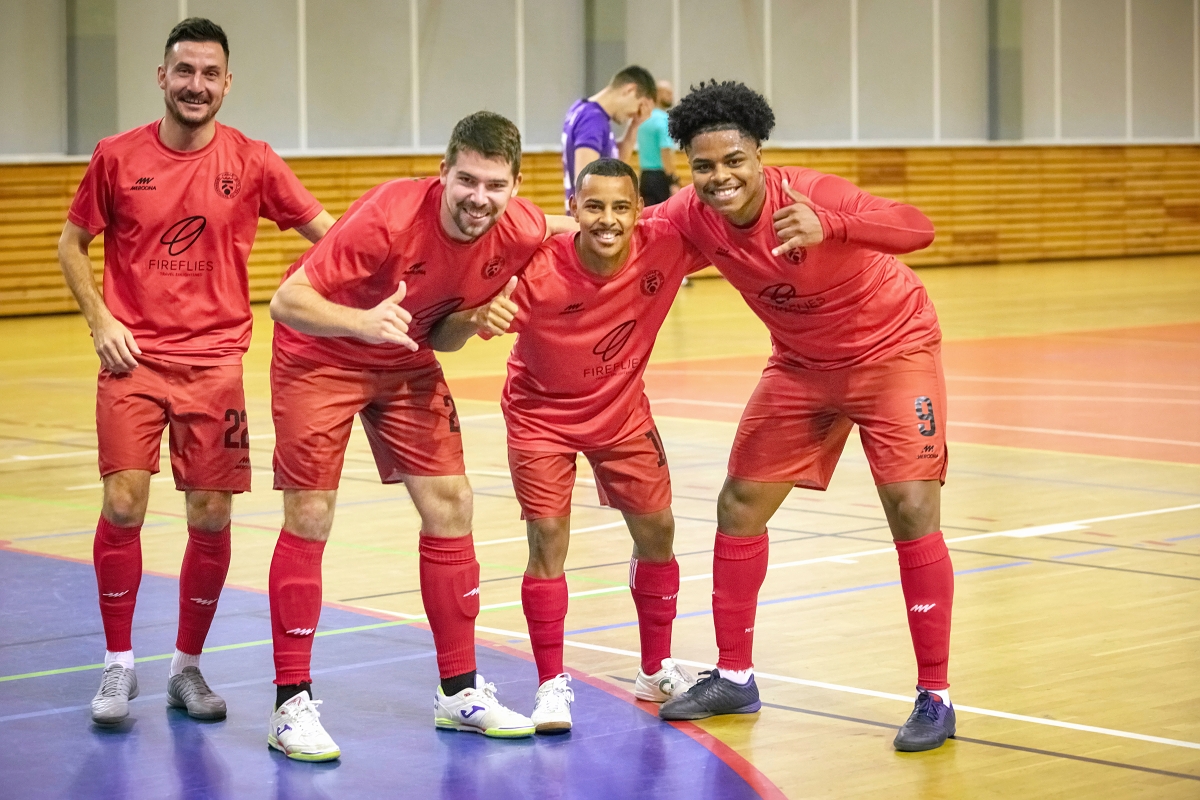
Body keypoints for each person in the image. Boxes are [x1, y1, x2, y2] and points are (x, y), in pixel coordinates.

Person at [651, 81, 955, 753]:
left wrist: (833, 226)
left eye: (734, 160)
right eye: (704, 166)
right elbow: (622, 235)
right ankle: (734, 676)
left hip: (893, 351)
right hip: (802, 366)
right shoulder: (692, 214)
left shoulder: (815, 195)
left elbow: (918, 227)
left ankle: (935, 694)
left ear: (759, 154)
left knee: (911, 508)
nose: (721, 177)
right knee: (739, 504)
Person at [266, 112, 576, 761]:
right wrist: (361, 321)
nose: (478, 198)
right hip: (320, 355)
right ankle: (290, 705)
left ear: (516, 187)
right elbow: (286, 301)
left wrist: (645, 226)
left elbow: (570, 227)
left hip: (404, 359)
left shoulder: (518, 227)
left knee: (452, 504)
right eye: (467, 180)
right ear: (443, 173)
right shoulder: (387, 216)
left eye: (495, 185)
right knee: (311, 513)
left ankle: (458, 692)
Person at [57, 17, 334, 728]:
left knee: (211, 516)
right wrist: (100, 320)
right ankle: (119, 664)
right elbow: (71, 242)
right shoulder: (117, 156)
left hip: (215, 366)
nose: (196, 85)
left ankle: (186, 666)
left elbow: (331, 235)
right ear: (162, 77)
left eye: (210, 74)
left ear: (227, 83)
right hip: (134, 361)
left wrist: (397, 271)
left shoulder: (254, 160)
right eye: (184, 71)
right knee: (124, 504)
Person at [430, 158, 707, 733]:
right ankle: (551, 684)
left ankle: (655, 669)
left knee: (658, 531)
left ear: (639, 211)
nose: (608, 219)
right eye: (595, 206)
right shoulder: (535, 270)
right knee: (548, 539)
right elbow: (444, 338)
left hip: (623, 414)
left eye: (621, 207)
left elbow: (738, 237)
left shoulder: (665, 247)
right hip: (541, 419)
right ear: (573, 208)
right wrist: (475, 314)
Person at [561, 65, 657, 211]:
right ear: (630, 90)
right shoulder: (592, 119)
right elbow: (586, 180)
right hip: (591, 217)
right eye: (639, 106)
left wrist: (634, 125)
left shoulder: (585, 110)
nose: (637, 113)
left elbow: (616, 165)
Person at [636, 80, 679, 206]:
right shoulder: (663, 120)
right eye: (668, 93)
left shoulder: (642, 119)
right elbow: (665, 151)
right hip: (660, 178)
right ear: (658, 94)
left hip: (645, 176)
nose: (671, 97)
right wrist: (673, 180)